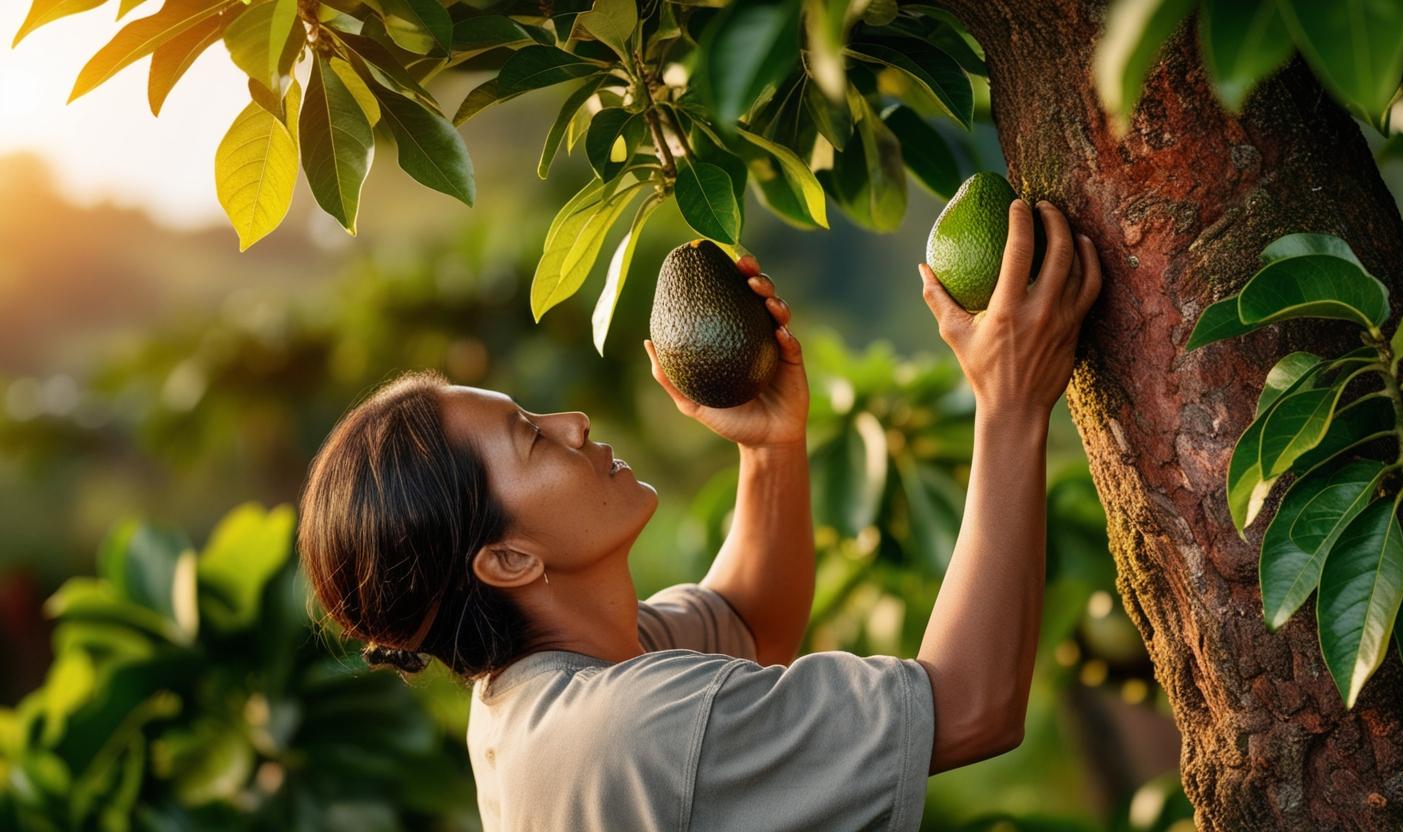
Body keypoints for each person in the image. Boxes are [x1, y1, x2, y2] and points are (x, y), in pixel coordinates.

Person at [296, 199, 1101, 831]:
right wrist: (1010, 401)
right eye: (531, 437)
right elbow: (971, 708)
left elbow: (751, 623)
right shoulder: (628, 730)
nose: (572, 424)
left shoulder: (538, 695)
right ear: (508, 559)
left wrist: (771, 448)